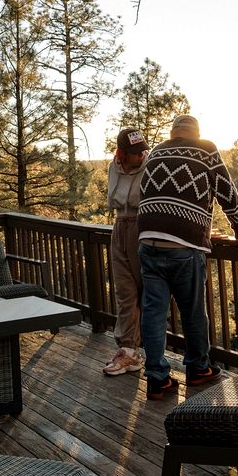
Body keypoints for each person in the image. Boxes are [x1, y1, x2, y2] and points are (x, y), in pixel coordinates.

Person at [138, 114, 238, 400]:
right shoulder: (206, 149)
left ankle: (156, 379)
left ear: (174, 132)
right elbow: (227, 192)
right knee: (192, 311)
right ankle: (198, 368)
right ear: (196, 132)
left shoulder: (157, 151)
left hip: (147, 240)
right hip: (183, 246)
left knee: (153, 312)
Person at [103, 127, 149, 376]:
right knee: (124, 289)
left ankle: (141, 350)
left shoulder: (150, 166)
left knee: (145, 290)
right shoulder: (114, 167)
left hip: (142, 226)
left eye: (142, 149)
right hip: (119, 226)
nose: (140, 154)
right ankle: (128, 351)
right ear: (121, 153)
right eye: (134, 152)